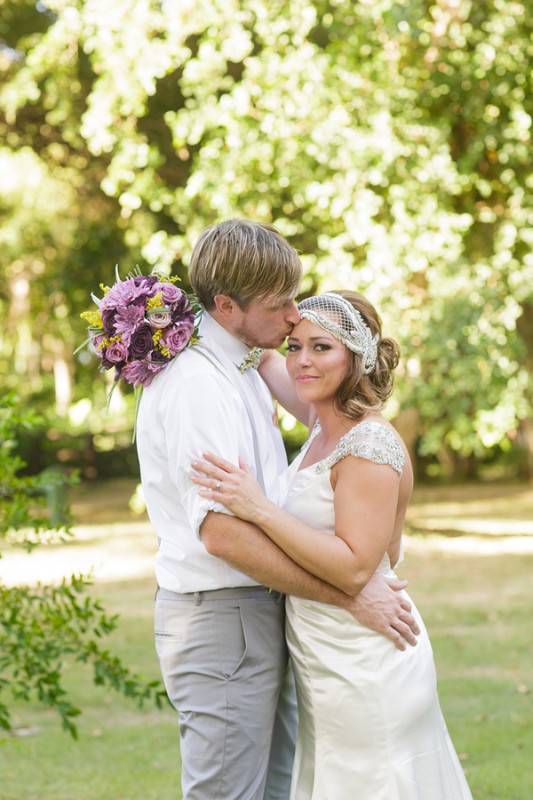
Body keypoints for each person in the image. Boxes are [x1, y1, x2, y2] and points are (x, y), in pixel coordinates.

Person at [136, 223, 419, 800]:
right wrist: (349, 595)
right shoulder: (197, 386)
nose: (294, 316)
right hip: (222, 617)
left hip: (265, 609)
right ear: (225, 306)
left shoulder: (244, 364)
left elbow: (337, 418)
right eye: (280, 304)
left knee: (276, 788)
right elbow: (221, 534)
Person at [191, 289, 473, 799]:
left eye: (322, 348)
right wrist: (168, 316)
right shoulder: (323, 420)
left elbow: (354, 569)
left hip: (366, 653)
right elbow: (263, 353)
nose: (303, 361)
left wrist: (258, 508)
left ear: (356, 356)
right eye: (296, 345)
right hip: (326, 652)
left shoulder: (367, 445)